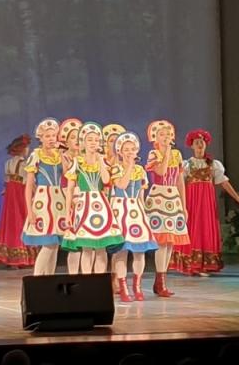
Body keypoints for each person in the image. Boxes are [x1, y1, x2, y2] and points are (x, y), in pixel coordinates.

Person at [172, 129, 239, 276]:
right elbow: (178, 184)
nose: (199, 145)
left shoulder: (213, 164)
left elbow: (224, 182)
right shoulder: (187, 164)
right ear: (191, 146)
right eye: (196, 142)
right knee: (193, 229)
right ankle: (192, 264)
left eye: (202, 142)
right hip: (192, 202)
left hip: (207, 203)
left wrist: (237, 198)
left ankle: (204, 265)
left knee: (206, 228)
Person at [63, 122, 123, 273]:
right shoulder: (77, 162)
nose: (93, 143)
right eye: (89, 139)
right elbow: (70, 189)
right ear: (83, 142)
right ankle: (87, 280)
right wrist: (67, 213)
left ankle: (99, 280)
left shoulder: (103, 162)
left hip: (101, 205)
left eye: (96, 140)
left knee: (101, 247)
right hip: (84, 205)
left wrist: (100, 160)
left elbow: (105, 180)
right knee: (87, 247)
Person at [109, 132, 157, 301]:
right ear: (120, 152)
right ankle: (123, 287)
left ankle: (137, 286)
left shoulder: (141, 170)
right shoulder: (116, 168)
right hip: (120, 209)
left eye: (132, 149)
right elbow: (121, 185)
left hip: (136, 210)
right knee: (121, 251)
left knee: (140, 251)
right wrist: (129, 166)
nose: (130, 152)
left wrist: (144, 213)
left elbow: (141, 195)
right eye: (126, 149)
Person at [143, 119, 188, 297]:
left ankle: (161, 280)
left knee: (170, 242)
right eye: (162, 134)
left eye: (168, 134)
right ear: (155, 137)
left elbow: (180, 181)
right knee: (162, 241)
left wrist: (184, 206)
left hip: (173, 198)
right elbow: (161, 172)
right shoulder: (153, 154)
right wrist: (167, 151)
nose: (166, 137)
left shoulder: (177, 155)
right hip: (159, 197)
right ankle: (159, 281)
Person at [22, 118, 67, 275]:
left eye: (53, 135)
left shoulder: (59, 155)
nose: (51, 139)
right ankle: (37, 279)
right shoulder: (36, 155)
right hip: (43, 200)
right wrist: (30, 211)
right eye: (47, 136)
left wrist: (62, 154)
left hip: (58, 201)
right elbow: (28, 186)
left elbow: (67, 174)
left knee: (54, 245)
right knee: (48, 243)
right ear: (40, 138)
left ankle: (49, 279)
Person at [0, 134, 37, 268]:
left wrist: (6, 190)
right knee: (21, 221)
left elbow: (7, 180)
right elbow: (28, 182)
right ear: (22, 149)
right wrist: (36, 193)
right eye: (27, 147)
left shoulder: (8, 163)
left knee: (11, 222)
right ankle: (20, 257)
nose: (28, 150)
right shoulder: (24, 164)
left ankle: (9, 257)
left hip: (10, 195)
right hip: (20, 194)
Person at [58, 117, 83, 274]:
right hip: (69, 195)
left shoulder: (86, 156)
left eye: (78, 137)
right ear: (66, 141)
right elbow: (68, 175)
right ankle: (73, 273)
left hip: (85, 198)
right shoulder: (64, 156)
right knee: (73, 238)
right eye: (72, 137)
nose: (76, 141)